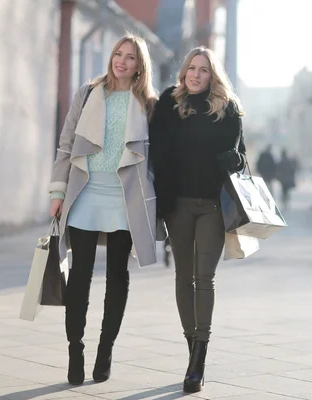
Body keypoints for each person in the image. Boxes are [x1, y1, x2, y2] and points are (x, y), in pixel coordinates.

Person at [49, 34, 158, 385]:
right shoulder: (88, 93)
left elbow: (158, 158)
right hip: (86, 192)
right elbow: (67, 145)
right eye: (117, 54)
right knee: (80, 276)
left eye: (129, 57)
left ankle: (105, 350)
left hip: (124, 198)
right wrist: (58, 191)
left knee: (118, 278)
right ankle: (75, 349)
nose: (121, 61)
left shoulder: (148, 104)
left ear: (140, 66)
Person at [148, 46, 246, 393]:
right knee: (183, 277)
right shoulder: (168, 106)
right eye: (192, 67)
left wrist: (233, 159)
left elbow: (241, 161)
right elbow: (156, 154)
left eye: (203, 69)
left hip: (213, 206)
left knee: (205, 277)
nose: (196, 74)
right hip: (179, 204)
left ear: (212, 75)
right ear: (184, 71)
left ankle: (199, 356)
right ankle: (193, 349)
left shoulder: (228, 109)